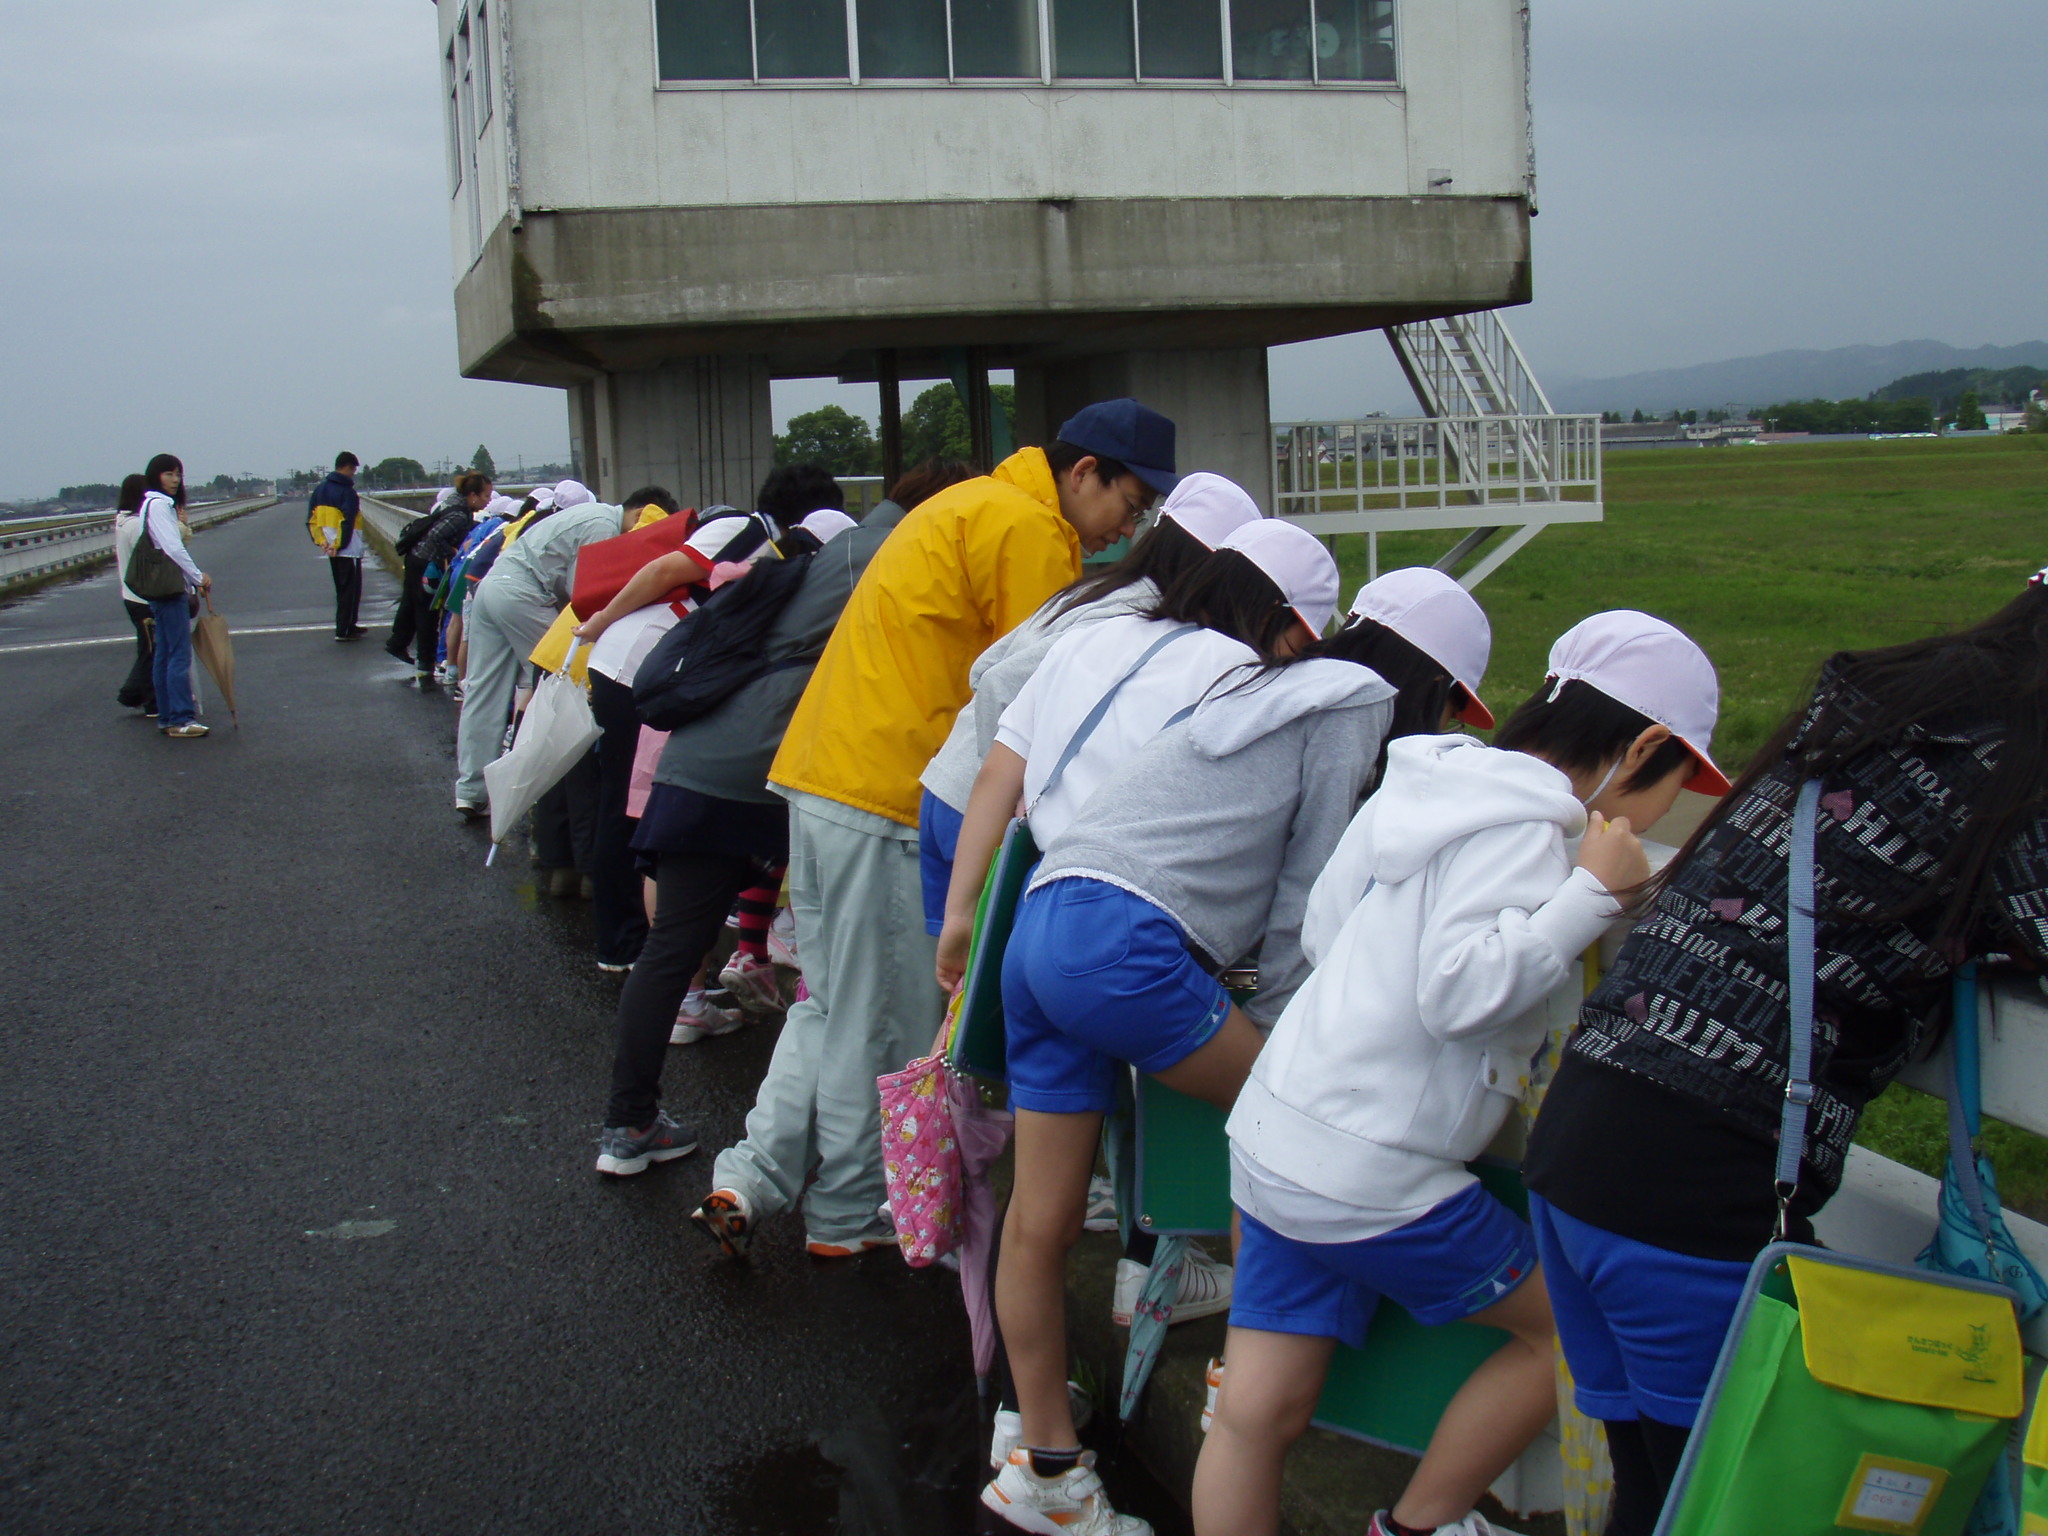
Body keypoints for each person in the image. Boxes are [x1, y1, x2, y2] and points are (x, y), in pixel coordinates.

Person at [1521, 586, 2048, 1536]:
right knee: (1726, 1503)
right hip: (1690, 1179)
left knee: (1658, 1494)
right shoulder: (2020, 761)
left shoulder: (1894, 703)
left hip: (1582, 1143)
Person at [1196, 611, 1721, 1536]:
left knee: (1252, 1416)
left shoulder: (1427, 781)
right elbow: (1458, 991)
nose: (1661, 814)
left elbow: (1323, 928)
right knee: (1569, 1329)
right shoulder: (1530, 829)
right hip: (1370, 1176)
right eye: (1675, 782)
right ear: (1643, 745)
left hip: (1277, 1137)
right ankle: (1420, 1525)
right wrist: (1591, 895)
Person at [690, 402, 1169, 1262]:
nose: (1128, 528)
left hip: (826, 775)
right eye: (1130, 504)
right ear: (1085, 471)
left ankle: (753, 1176)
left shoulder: (974, 502)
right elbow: (1041, 692)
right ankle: (851, 1214)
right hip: (884, 796)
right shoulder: (1027, 528)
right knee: (881, 1025)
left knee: (829, 1004)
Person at [945, 522, 1340, 1536]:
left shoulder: (1089, 633)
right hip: (1126, 945)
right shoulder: (1239, 677)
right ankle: (1238, 1389)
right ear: (1281, 622)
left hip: (1036, 927)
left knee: (1038, 1222)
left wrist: (956, 917)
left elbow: (1004, 770)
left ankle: (1047, 1472)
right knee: (1286, 1125)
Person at [585, 479, 934, 1177]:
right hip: (776, 780)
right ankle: (842, 1151)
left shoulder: (778, 578)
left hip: (693, 770)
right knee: (837, 960)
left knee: (670, 953)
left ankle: (627, 1126)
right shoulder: (879, 570)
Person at [916, 470, 1262, 937]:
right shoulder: (1131, 617)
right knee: (982, 989)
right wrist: (1004, 787)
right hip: (979, 811)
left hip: (946, 792)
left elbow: (984, 667)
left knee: (961, 994)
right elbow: (1000, 683)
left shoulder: (1098, 590)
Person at [453, 480, 620, 817]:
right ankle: (537, 789)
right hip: (522, 595)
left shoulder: (589, 515)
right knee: (563, 683)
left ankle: (470, 790)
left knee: (483, 691)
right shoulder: (606, 528)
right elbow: (582, 594)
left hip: (493, 588)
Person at [138, 454, 212, 740]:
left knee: (165, 655)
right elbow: (173, 547)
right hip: (170, 590)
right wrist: (198, 577)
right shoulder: (161, 505)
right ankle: (182, 718)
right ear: (156, 475)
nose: (175, 480)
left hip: (159, 590)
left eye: (178, 475)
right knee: (178, 655)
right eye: (169, 474)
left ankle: (168, 717)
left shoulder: (147, 504)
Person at [390, 472, 489, 678]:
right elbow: (436, 536)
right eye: (485, 496)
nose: (488, 501)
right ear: (472, 495)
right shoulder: (459, 515)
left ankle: (397, 644)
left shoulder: (453, 504)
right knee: (428, 610)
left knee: (411, 603)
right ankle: (425, 663)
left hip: (415, 558)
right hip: (426, 564)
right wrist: (453, 554)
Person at [307, 452, 366, 641]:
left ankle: (348, 626)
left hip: (331, 549)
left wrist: (324, 543)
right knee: (351, 590)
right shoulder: (347, 492)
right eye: (354, 469)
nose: (354, 474)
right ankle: (345, 628)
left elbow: (312, 521)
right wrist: (339, 545)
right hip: (347, 549)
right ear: (348, 467)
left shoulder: (320, 490)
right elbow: (347, 522)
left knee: (341, 589)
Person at [111, 474, 156, 715]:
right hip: (144, 596)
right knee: (152, 650)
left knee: (147, 648)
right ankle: (141, 696)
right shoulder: (137, 525)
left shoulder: (121, 522)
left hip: (130, 595)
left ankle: (138, 694)